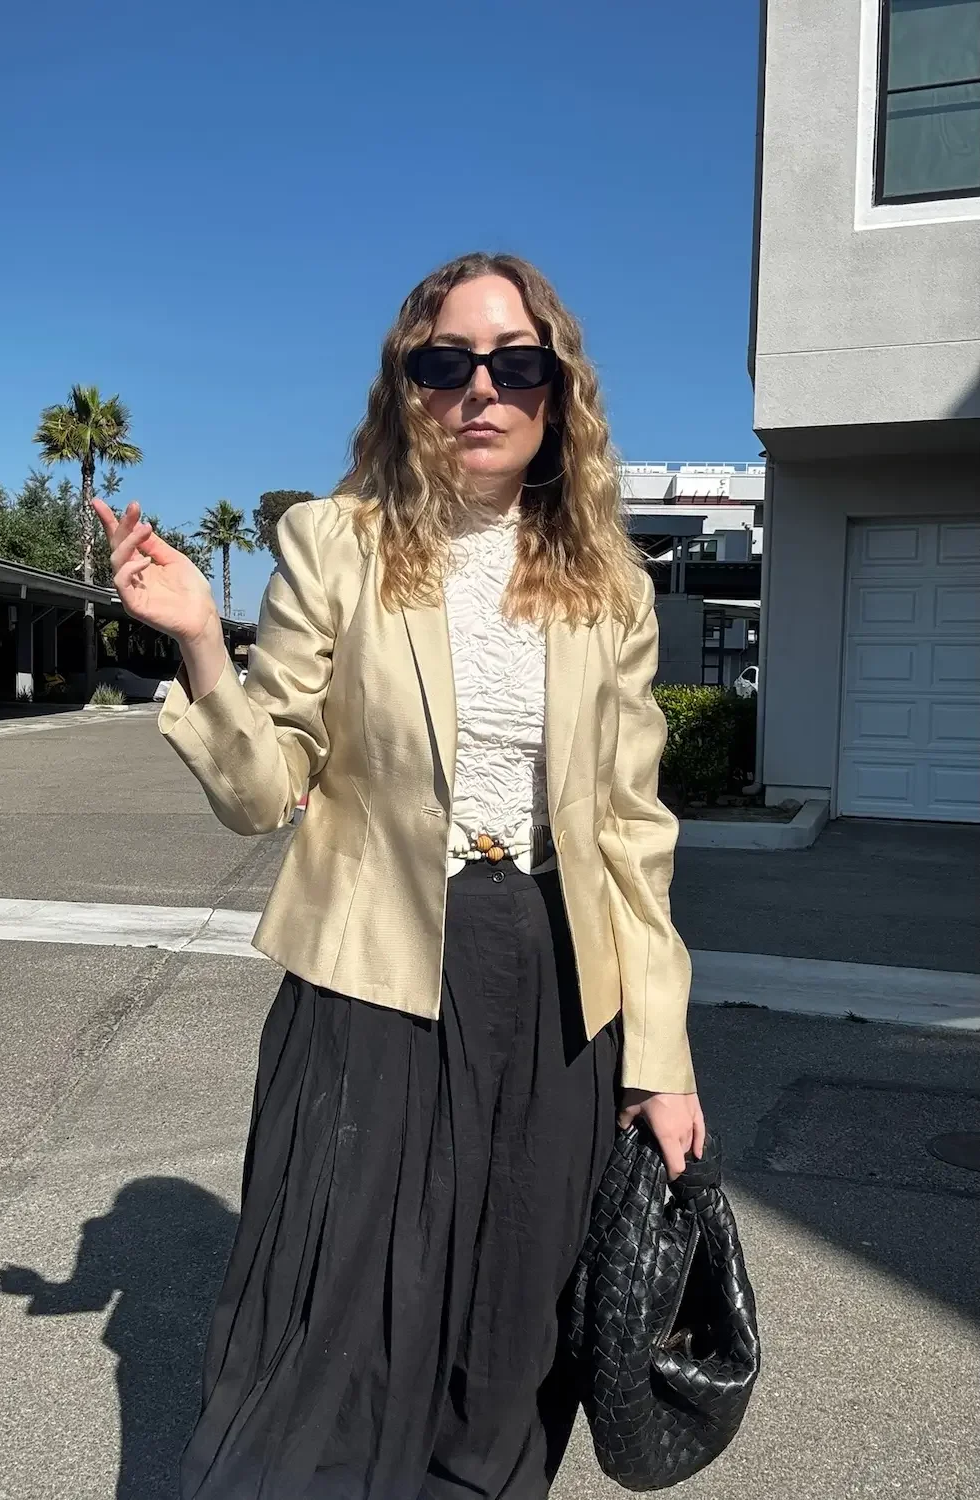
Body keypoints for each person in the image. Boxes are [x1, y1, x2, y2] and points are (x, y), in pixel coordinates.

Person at [93, 251, 704, 1500]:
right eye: (446, 363)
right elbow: (265, 792)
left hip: (553, 980)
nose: (480, 389)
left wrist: (665, 1063)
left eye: (514, 364)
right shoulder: (336, 543)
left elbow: (632, 831)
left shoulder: (611, 585)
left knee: (510, 1322)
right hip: (371, 973)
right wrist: (207, 643)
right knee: (335, 1319)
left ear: (556, 390)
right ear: (406, 384)